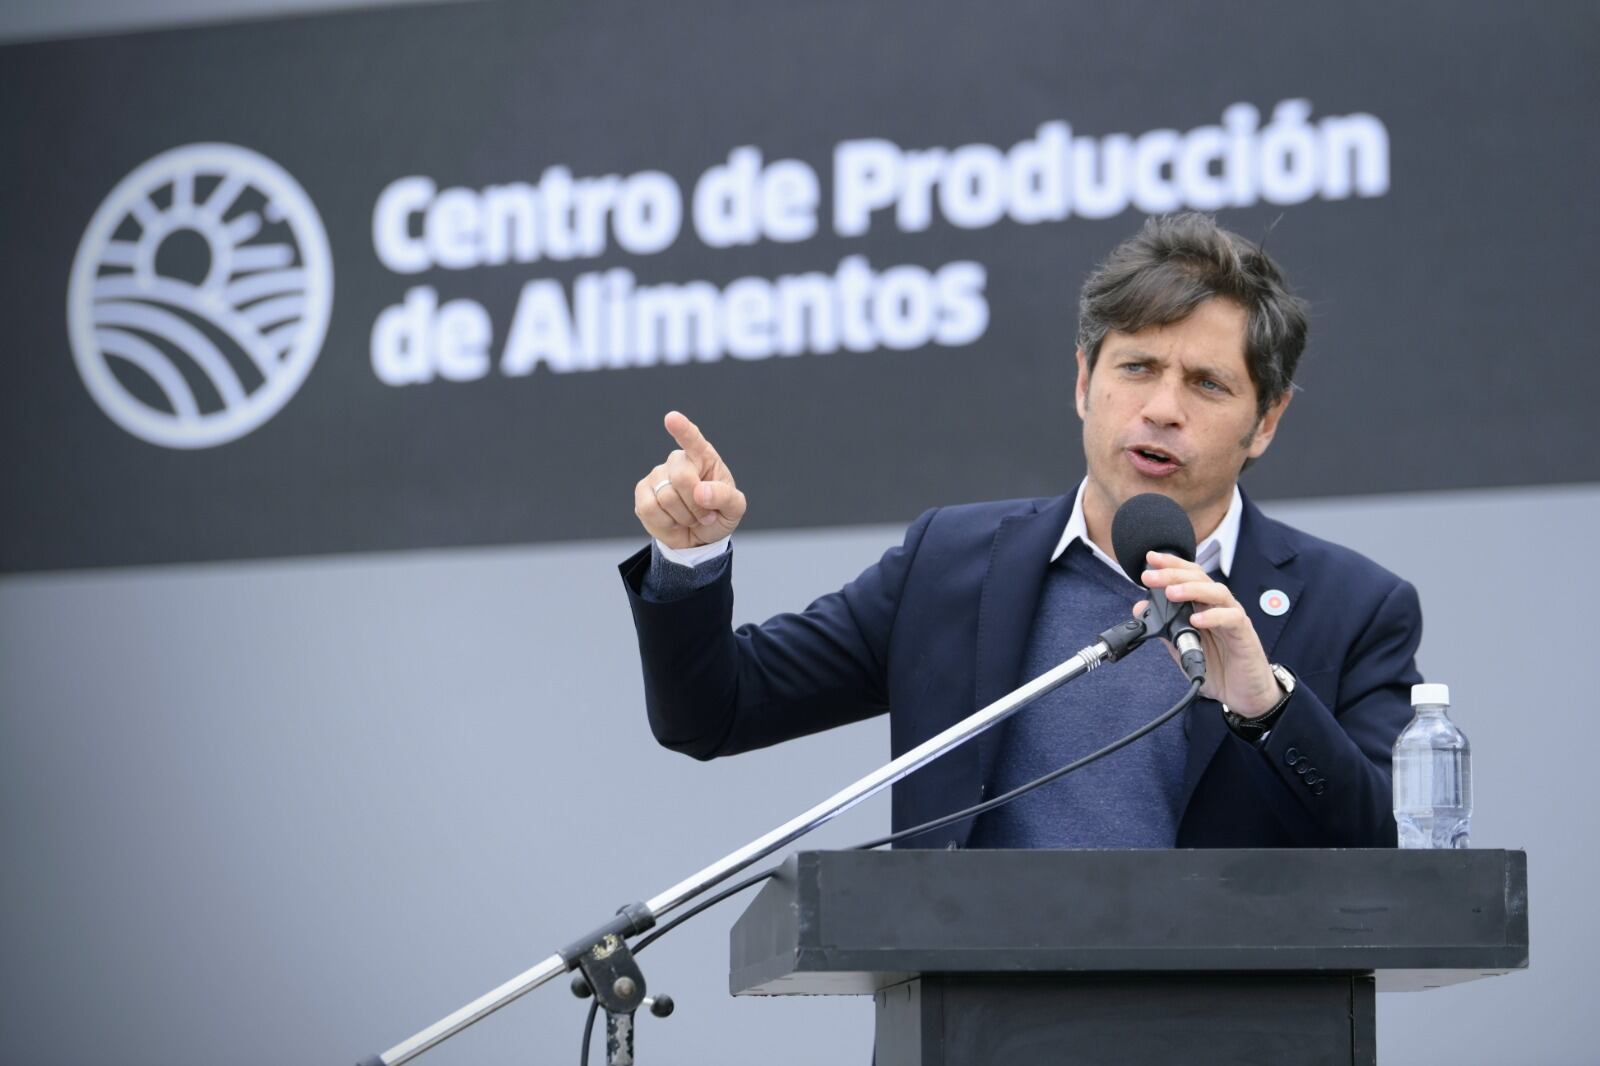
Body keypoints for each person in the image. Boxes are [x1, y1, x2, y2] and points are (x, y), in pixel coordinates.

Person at [618, 212, 1421, 849]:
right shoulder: (950, 564)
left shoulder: (1353, 607)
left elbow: (1397, 850)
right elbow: (713, 712)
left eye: (1207, 384)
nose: (1162, 409)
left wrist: (1268, 709)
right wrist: (691, 560)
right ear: (1084, 381)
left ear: (1266, 421)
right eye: (1137, 368)